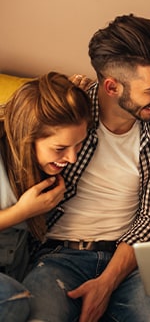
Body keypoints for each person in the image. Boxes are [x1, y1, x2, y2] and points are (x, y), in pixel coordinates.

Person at [23, 15, 150, 322]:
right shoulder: (70, 115)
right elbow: (17, 132)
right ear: (112, 86)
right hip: (58, 258)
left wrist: (107, 282)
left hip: (129, 263)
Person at [0, 72, 91, 322]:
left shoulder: (45, 168)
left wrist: (71, 97)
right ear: (26, 137)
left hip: (14, 271)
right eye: (60, 149)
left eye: (79, 144)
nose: (72, 158)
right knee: (13, 299)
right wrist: (22, 212)